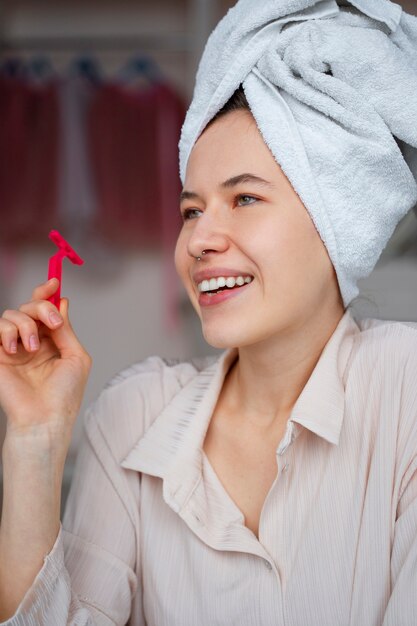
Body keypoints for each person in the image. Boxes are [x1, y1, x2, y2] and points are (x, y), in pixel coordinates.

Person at [1, 0, 417, 624]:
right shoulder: (132, 414)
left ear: (340, 224)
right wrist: (35, 440)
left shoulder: (407, 389)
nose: (198, 240)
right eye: (192, 210)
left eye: (244, 198)